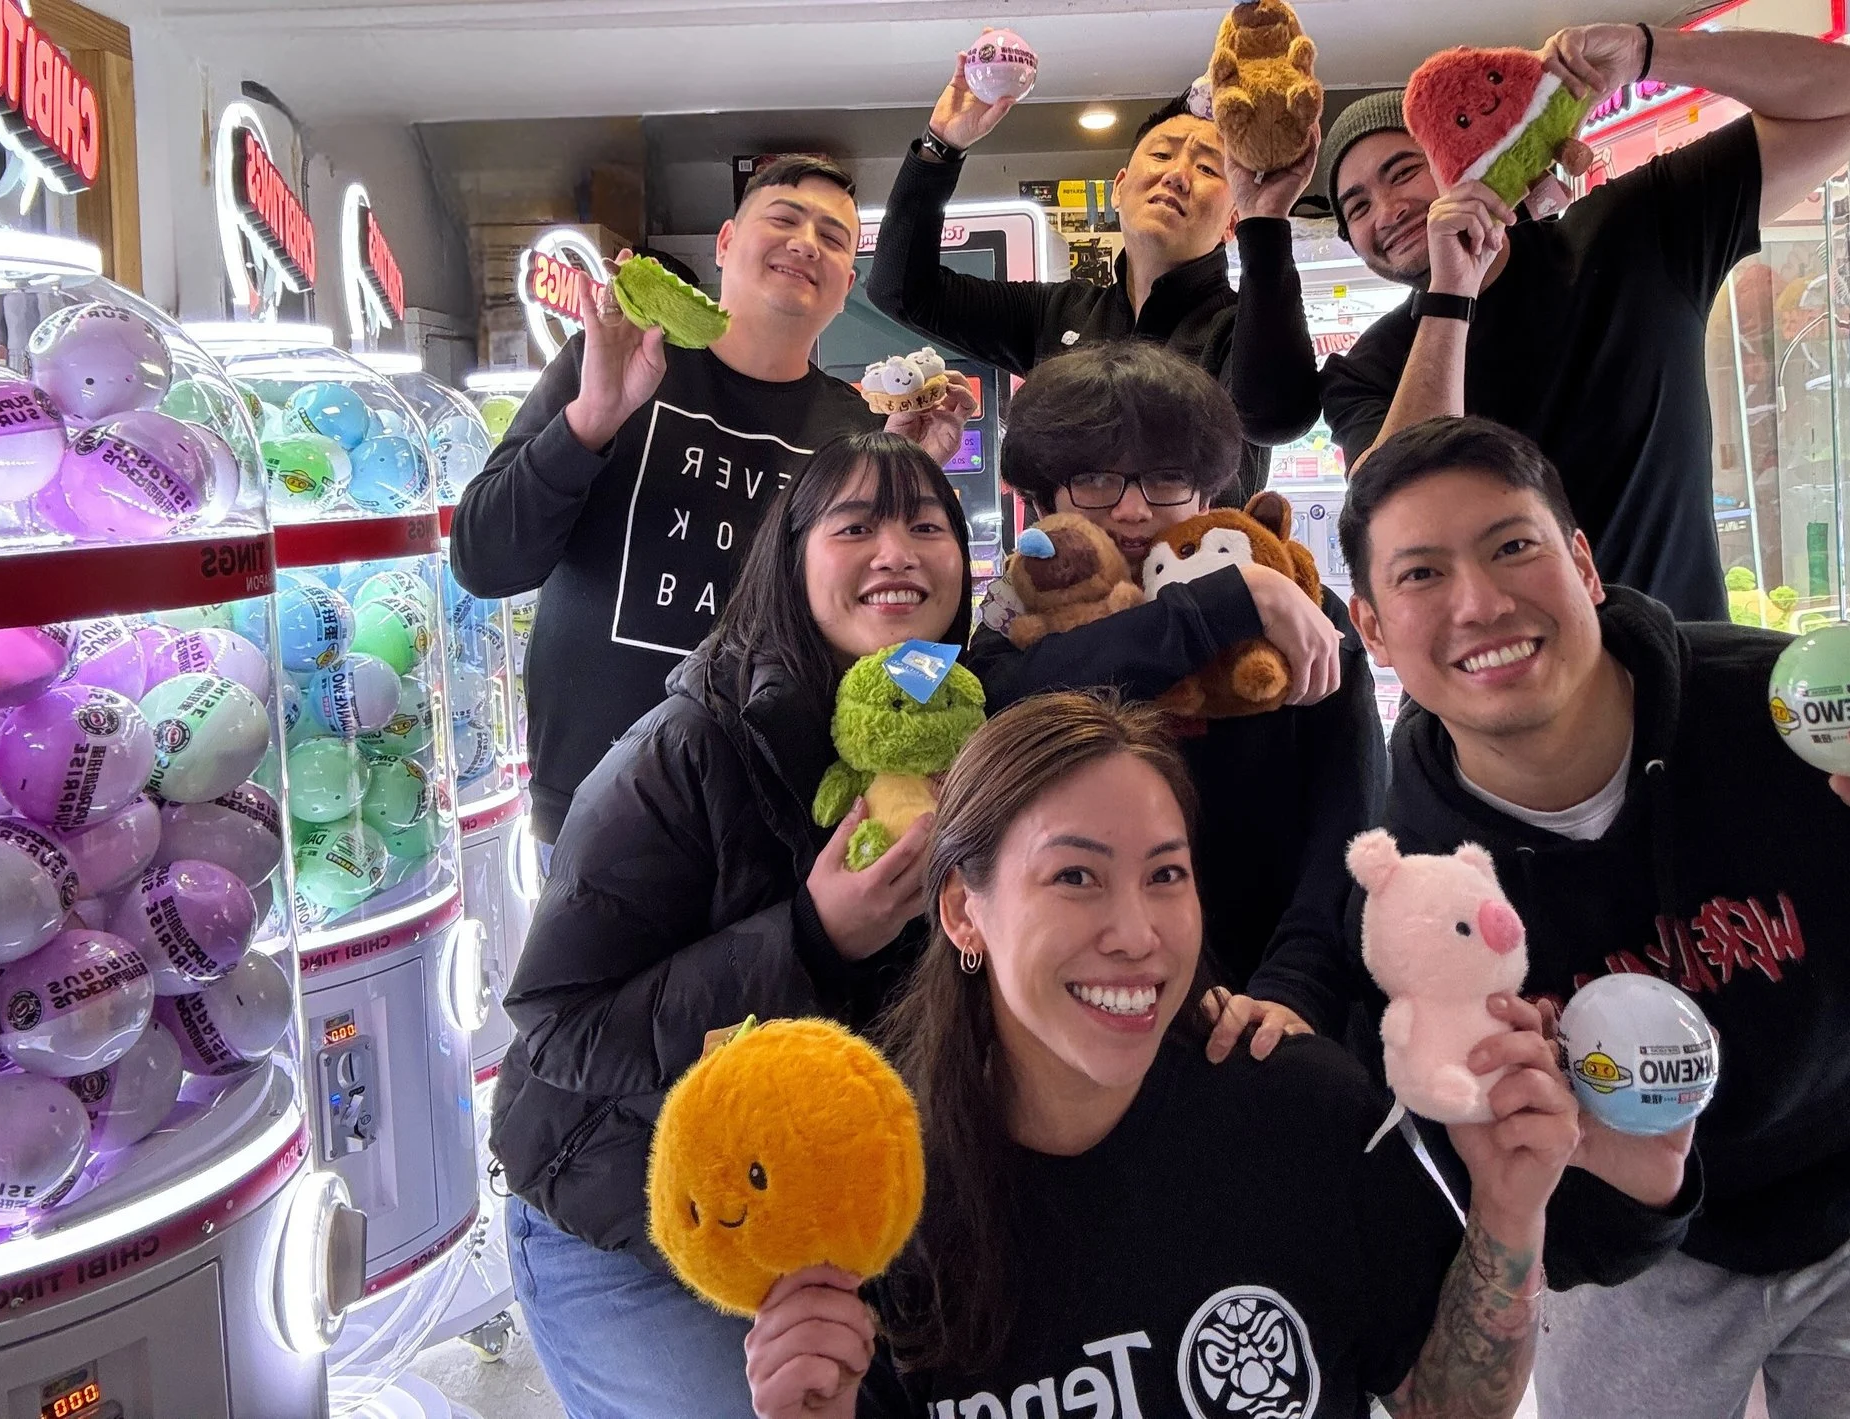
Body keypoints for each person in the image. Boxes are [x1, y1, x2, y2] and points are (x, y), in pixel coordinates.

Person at [1292, 416, 1850, 1415]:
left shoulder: (1784, 720)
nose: (1481, 603)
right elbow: (1538, 1226)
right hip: (1633, 1259)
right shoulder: (1408, 887)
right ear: (1370, 629)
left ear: (1581, 563)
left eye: (1512, 547)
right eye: (1420, 576)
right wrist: (1634, 1187)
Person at [744, 690, 1689, 1419]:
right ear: (961, 908)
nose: (1136, 932)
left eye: (1166, 875)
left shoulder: (1304, 1110)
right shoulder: (873, 1198)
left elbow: (1442, 1402)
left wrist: (1508, 1211)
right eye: (1075, 875)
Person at [491, 432, 975, 1419]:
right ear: (790, 556)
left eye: (928, 526)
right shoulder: (685, 746)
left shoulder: (956, 735)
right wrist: (805, 937)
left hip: (830, 1224)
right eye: (856, 526)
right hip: (637, 1220)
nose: (898, 552)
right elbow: (558, 1022)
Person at [452, 155, 974, 847]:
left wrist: (908, 476)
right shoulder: (613, 357)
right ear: (725, 243)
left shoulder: (854, 430)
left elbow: (872, 632)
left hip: (774, 813)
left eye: (832, 236)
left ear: (846, 284)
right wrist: (594, 417)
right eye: (784, 218)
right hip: (593, 805)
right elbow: (484, 560)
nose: (805, 243)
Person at [1310, 23, 1850, 620]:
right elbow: (1394, 512)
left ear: (1458, 156)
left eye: (1403, 171)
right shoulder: (1364, 372)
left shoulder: (1634, 230)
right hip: (1494, 695)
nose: (1387, 211)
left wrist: (1647, 52)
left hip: (1682, 682)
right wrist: (1453, 294)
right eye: (1357, 206)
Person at [969, 341, 1367, 1025]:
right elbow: (1002, 699)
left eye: (1165, 478)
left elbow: (1349, 820)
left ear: (1207, 487)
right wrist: (1228, 601)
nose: (1131, 510)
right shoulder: (1024, 609)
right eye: (1095, 479)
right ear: (1044, 495)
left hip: (1274, 1001)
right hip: (1075, 998)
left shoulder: (1299, 609)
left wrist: (1294, 987)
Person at [868, 57, 1322, 498]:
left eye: (1207, 168)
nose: (1177, 175)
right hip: (1071, 573)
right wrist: (940, 147)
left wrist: (1265, 223)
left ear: (1232, 221)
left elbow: (1274, 416)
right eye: (1161, 154)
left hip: (1200, 573)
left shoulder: (1242, 329)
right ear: (1119, 188)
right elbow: (902, 290)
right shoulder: (1056, 312)